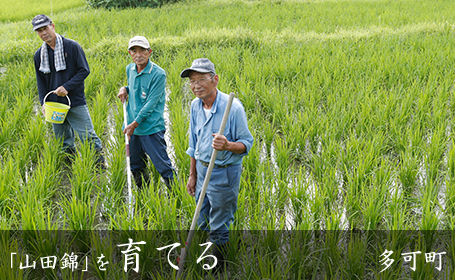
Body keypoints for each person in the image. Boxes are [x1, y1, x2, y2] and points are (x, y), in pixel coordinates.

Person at [181, 58, 254, 272]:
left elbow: (246, 144)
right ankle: (210, 253)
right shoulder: (195, 105)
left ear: (215, 80)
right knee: (201, 218)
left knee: (219, 224)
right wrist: (192, 175)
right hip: (202, 170)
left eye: (202, 79)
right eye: (192, 81)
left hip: (224, 173)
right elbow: (193, 144)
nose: (196, 85)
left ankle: (218, 269)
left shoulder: (233, 108)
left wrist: (228, 145)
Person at [32, 14, 105, 167]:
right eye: (39, 31)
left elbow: (84, 70)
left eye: (45, 28)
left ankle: (99, 168)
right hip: (54, 105)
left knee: (87, 135)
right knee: (63, 139)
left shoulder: (72, 46)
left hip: (75, 101)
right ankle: (71, 169)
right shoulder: (39, 55)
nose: (43, 33)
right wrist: (43, 103)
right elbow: (41, 82)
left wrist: (67, 87)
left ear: (52, 26)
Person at [117, 36, 176, 190]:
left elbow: (150, 104)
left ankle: (178, 197)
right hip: (132, 127)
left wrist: (134, 124)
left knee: (162, 165)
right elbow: (134, 87)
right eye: (134, 51)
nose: (138, 54)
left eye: (142, 50)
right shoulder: (130, 69)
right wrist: (125, 89)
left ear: (149, 52)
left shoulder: (158, 74)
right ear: (130, 53)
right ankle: (145, 194)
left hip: (150, 128)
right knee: (136, 163)